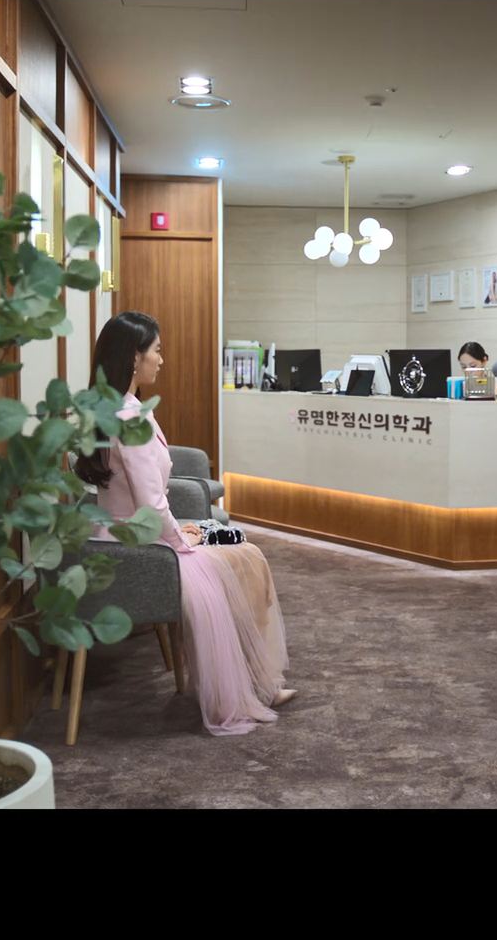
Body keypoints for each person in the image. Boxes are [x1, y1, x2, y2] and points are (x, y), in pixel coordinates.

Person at [76, 311, 295, 735]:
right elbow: (151, 504)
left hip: (118, 539)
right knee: (248, 559)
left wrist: (180, 530)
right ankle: (257, 685)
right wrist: (181, 539)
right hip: (143, 549)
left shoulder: (111, 409)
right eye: (156, 351)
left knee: (244, 557)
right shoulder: (130, 418)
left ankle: (257, 681)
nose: (162, 360)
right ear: (134, 358)